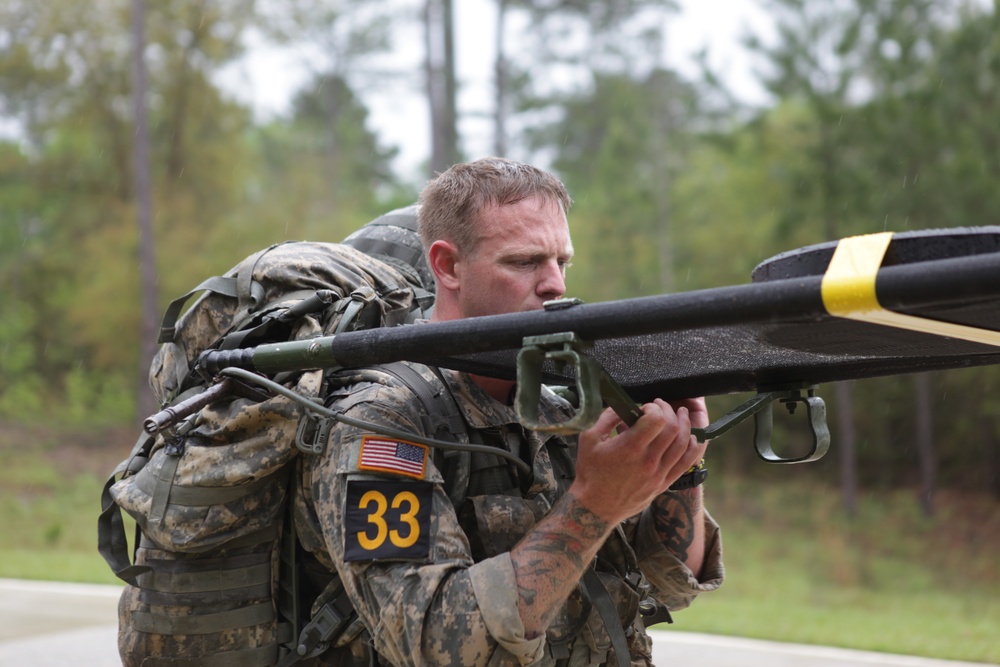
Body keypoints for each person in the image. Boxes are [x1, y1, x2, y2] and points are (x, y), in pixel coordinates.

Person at [295, 157, 724, 666]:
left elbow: (672, 585)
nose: (555, 285)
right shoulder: (381, 421)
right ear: (448, 266)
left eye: (561, 263)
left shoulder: (562, 406)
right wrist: (594, 505)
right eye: (524, 262)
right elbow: (436, 647)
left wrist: (682, 464)